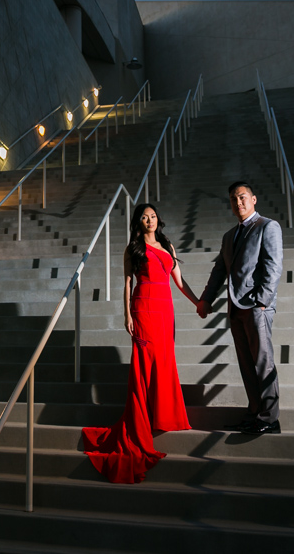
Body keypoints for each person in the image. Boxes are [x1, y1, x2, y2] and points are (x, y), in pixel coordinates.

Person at [82, 203, 198, 483]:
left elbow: (179, 283)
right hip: (144, 307)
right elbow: (126, 282)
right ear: (138, 222)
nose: (150, 220)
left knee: (165, 360)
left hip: (165, 309)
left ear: (159, 219)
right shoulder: (133, 249)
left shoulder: (168, 246)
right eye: (145, 217)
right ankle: (141, 422)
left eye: (154, 216)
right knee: (144, 366)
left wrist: (198, 303)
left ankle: (164, 416)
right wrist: (126, 315)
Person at [197, 181, 283, 434]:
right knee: (247, 363)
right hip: (235, 308)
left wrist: (262, 301)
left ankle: (270, 418)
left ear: (253, 199)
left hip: (257, 307)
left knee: (262, 362)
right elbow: (219, 271)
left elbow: (273, 265)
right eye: (234, 199)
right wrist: (206, 299)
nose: (239, 203)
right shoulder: (229, 236)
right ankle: (255, 413)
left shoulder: (268, 226)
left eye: (243, 197)